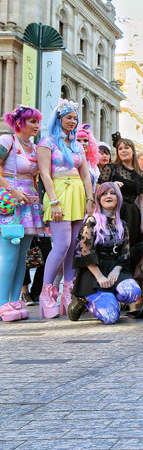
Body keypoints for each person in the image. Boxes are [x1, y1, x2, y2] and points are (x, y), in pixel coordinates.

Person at [37, 99, 94, 318]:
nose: (72, 121)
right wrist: (53, 200)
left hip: (78, 194)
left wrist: (90, 198)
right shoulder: (46, 143)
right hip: (58, 193)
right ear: (58, 118)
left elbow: (85, 174)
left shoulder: (77, 145)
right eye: (68, 117)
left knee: (74, 247)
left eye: (75, 118)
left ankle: (68, 293)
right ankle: (46, 292)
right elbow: (44, 174)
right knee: (61, 245)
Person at [66, 183, 141, 324]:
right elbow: (85, 251)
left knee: (132, 292)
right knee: (110, 317)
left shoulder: (123, 224)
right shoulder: (91, 221)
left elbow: (124, 253)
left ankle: (111, 295)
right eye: (104, 194)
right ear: (98, 199)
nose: (108, 196)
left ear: (118, 198)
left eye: (112, 193)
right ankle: (82, 300)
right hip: (93, 271)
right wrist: (100, 277)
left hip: (114, 268)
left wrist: (116, 270)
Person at [0, 106, 45, 315]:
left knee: (22, 257)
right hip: (9, 203)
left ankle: (14, 300)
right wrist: (11, 190)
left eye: (38, 122)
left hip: (29, 204)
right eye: (32, 122)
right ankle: (2, 303)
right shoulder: (7, 141)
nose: (37, 126)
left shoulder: (34, 147)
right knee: (9, 254)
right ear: (20, 123)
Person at [98, 138, 143, 247]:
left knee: (130, 247)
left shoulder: (142, 175)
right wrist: (111, 186)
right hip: (112, 211)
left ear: (133, 151)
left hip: (132, 214)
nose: (123, 151)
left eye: (126, 148)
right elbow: (98, 189)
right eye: (120, 148)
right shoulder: (110, 168)